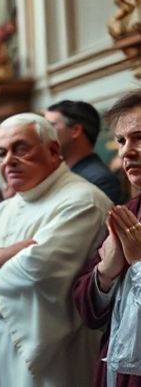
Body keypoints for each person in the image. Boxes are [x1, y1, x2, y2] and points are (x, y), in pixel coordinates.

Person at [0, 113, 111, 386]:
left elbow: (36, 273)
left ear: (53, 150)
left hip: (52, 358)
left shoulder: (82, 201)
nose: (9, 160)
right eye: (2, 153)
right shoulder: (3, 210)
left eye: (21, 149)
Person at [73, 89, 141, 386]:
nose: (126, 152)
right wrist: (107, 271)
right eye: (122, 141)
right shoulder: (129, 210)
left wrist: (138, 262)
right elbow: (88, 311)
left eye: (140, 138)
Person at [46, 99, 124, 203]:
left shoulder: (101, 180)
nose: (43, 133)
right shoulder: (56, 176)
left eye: (50, 126)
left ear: (75, 131)